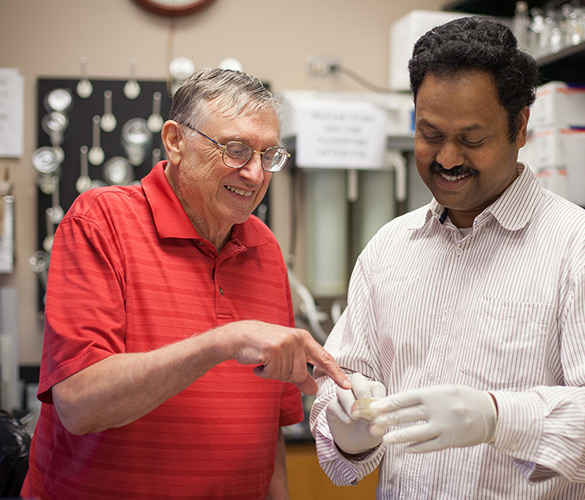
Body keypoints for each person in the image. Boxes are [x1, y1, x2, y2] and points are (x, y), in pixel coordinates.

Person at [309, 16, 585, 499]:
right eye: (430, 134)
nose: (448, 158)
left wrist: (501, 417)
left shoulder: (584, 252)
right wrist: (345, 427)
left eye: (472, 139)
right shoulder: (390, 249)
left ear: (519, 126)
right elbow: (343, 383)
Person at [22, 68, 351, 500]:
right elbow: (79, 404)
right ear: (176, 141)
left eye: (269, 155)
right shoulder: (100, 221)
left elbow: (264, 431)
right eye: (236, 150)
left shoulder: (264, 248)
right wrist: (222, 341)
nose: (255, 175)